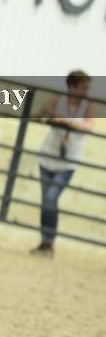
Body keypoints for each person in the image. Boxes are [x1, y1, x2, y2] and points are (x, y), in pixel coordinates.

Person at [30, 71, 96, 257]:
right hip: (48, 156)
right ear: (72, 87)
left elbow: (90, 126)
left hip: (69, 161)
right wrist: (48, 116)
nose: (86, 91)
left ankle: (49, 241)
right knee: (46, 201)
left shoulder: (88, 105)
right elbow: (37, 116)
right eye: (83, 87)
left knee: (51, 198)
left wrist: (66, 122)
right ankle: (45, 243)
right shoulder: (57, 99)